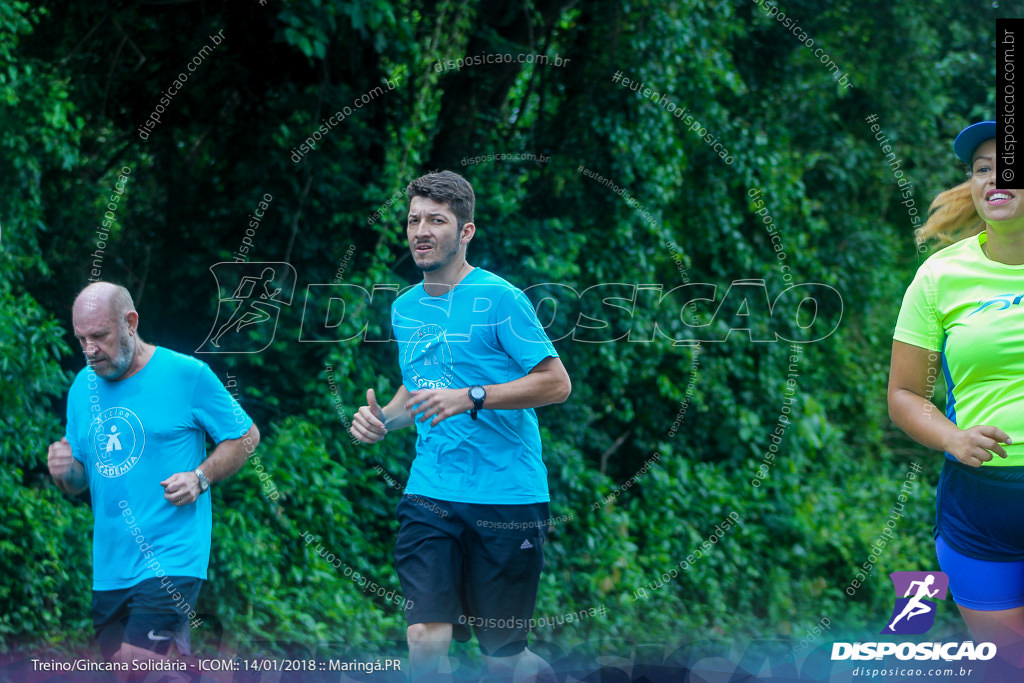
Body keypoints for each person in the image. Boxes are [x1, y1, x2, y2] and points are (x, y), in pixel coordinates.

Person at [351, 170, 571, 682]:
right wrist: (383, 419)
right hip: (431, 490)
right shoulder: (404, 308)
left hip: (507, 494)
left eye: (437, 220)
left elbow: (555, 383)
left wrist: (473, 396)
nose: (421, 230)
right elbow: (421, 390)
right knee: (425, 636)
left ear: (466, 231)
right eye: (413, 220)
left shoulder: (500, 299)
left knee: (502, 658)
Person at [47, 281, 259, 676]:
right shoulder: (82, 388)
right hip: (110, 566)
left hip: (171, 557)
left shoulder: (186, 375)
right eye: (81, 339)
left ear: (130, 323)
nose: (90, 350)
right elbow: (79, 482)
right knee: (135, 670)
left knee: (136, 664)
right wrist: (65, 470)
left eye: (99, 336)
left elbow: (246, 435)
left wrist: (200, 477)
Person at [889, 120, 1024, 671]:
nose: (994, 177)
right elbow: (903, 394)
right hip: (979, 503)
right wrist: (953, 437)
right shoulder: (939, 277)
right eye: (982, 168)